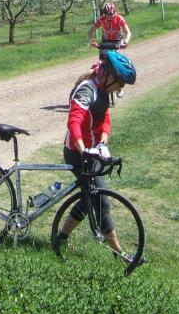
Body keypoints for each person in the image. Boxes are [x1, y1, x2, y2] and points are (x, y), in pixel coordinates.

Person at [52, 50, 137, 263]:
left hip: (91, 153)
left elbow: (104, 118)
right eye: (120, 83)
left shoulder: (102, 90)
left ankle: (59, 239)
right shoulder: (87, 90)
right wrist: (84, 150)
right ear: (109, 76)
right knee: (102, 202)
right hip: (76, 153)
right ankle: (119, 253)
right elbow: (73, 122)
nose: (121, 89)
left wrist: (103, 143)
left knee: (89, 197)